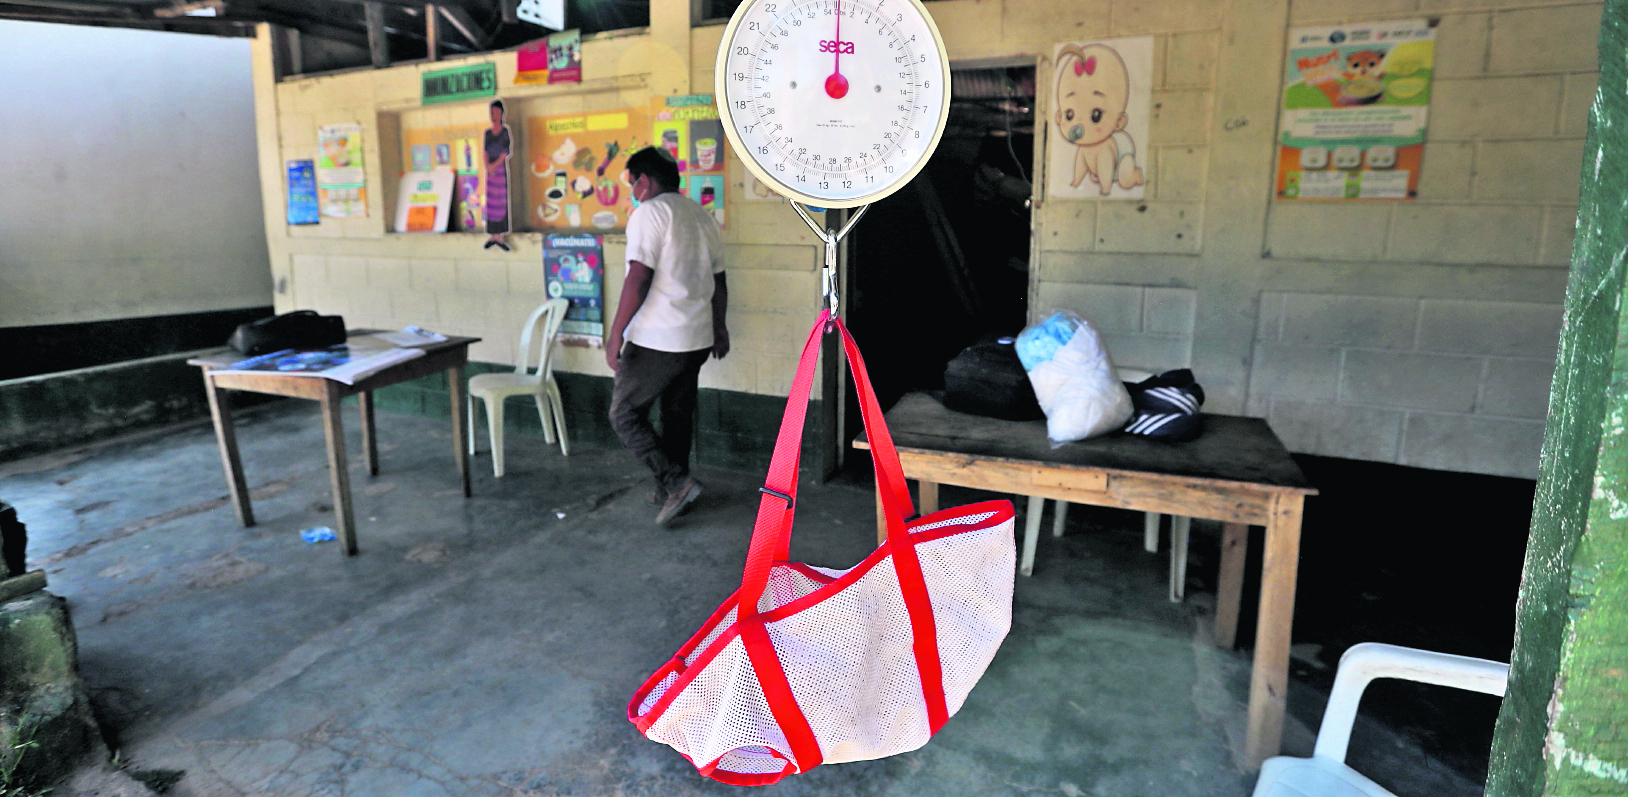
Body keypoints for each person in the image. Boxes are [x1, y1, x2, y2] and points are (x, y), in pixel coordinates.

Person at [606, 147, 729, 526]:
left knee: (624, 414)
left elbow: (638, 276)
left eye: (632, 184)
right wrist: (719, 327)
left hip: (659, 338)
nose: (632, 191)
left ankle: (676, 482)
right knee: (676, 415)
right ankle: (670, 488)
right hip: (696, 338)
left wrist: (616, 335)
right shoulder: (701, 216)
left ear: (645, 181)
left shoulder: (650, 214)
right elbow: (720, 281)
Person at [483, 100, 512, 251]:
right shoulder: (487, 133)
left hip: (499, 170)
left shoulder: (505, 131)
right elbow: (485, 151)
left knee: (500, 202)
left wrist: (494, 166)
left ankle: (499, 236)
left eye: (496, 112)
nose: (493, 115)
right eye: (491, 113)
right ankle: (492, 235)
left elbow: (505, 152)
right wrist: (487, 166)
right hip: (490, 172)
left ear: (501, 113)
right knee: (491, 204)